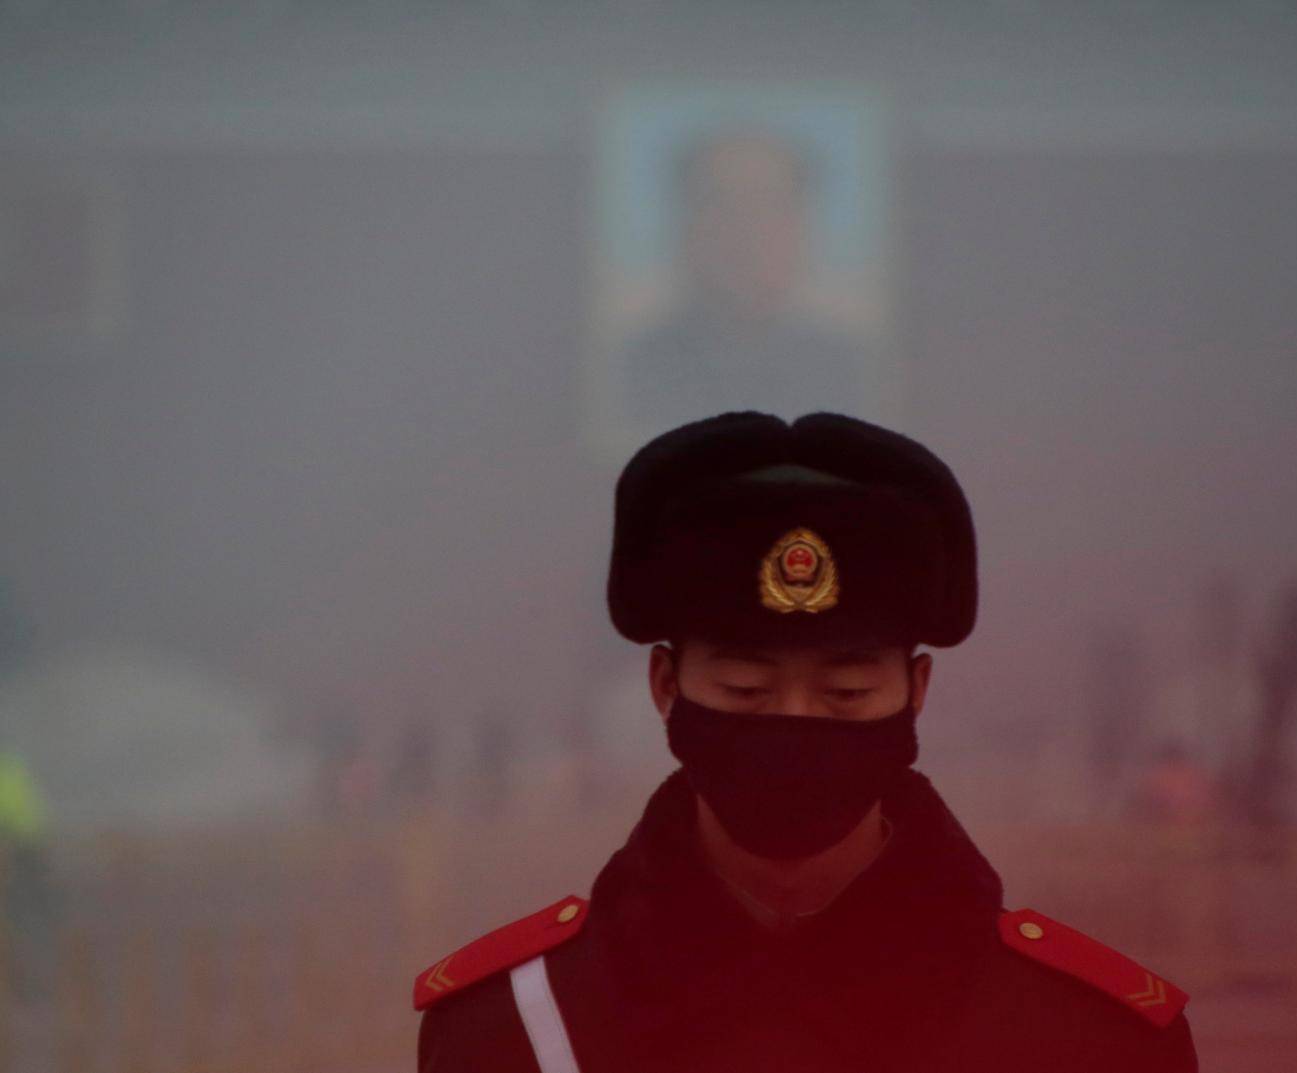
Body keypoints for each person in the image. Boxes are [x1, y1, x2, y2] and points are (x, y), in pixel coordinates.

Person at [413, 411, 1197, 1072]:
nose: (796, 723)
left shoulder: (1090, 1038)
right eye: (746, 690)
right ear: (664, 684)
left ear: (917, 691)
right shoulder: (517, 1027)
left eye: (846, 691)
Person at [617, 131, 872, 434]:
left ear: (802, 225)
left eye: (768, 203)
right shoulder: (629, 369)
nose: (746, 229)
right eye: (720, 204)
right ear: (684, 225)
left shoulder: (850, 368)